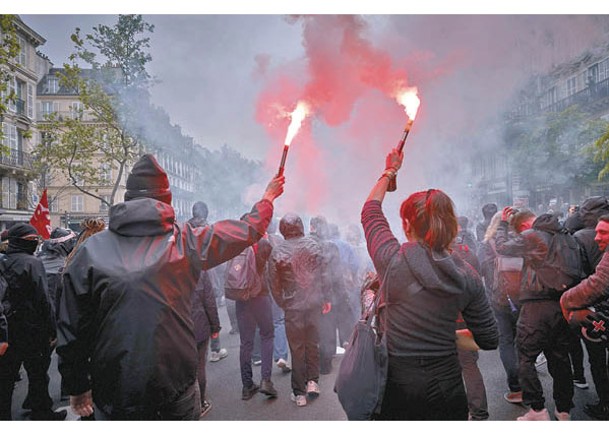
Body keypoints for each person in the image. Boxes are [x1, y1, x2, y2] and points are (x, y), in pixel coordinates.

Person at [56, 154, 284, 420]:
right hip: (175, 383)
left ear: (127, 199)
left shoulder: (90, 251)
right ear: (167, 199)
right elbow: (246, 230)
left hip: (115, 387)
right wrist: (267, 198)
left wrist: (78, 386)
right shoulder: (186, 241)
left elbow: (72, 328)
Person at [361, 148, 498, 420]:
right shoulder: (468, 275)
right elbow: (489, 339)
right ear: (451, 226)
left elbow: (370, 210)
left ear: (407, 225)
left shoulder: (391, 260)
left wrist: (390, 171)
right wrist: (445, 337)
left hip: (397, 387)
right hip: (447, 389)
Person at [495, 207, 575, 421]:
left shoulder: (531, 234)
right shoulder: (566, 236)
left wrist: (502, 224)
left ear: (523, 227)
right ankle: (564, 409)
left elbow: (502, 247)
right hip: (563, 304)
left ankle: (538, 410)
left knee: (525, 356)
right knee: (560, 359)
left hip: (536, 306)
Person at [0, 223, 67, 421]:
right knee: (37, 373)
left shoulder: (2, 261)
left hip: (9, 327)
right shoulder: (32, 263)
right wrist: (52, 329)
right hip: (32, 329)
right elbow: (43, 299)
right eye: (33, 240)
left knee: (6, 378)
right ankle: (41, 412)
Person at [269, 213, 332, 407]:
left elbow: (273, 283)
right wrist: (326, 297)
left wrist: (283, 302)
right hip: (313, 303)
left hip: (293, 306)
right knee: (312, 342)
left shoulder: (278, 251)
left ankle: (299, 393)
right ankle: (313, 382)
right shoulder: (314, 246)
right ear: (301, 226)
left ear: (283, 229)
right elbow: (325, 275)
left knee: (296, 348)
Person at [561, 212, 609, 420]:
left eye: (603, 232)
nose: (597, 237)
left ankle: (605, 405)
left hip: (594, 311)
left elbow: (598, 282)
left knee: (598, 361)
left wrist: (566, 299)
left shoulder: (576, 241)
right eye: (597, 231)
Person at [477, 211, 523, 405]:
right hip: (524, 296)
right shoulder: (521, 240)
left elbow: (480, 270)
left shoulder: (485, 245)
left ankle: (516, 388)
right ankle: (529, 380)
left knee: (506, 341)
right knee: (522, 339)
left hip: (499, 298)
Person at [187, 201, 228, 363]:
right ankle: (215, 350)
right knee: (211, 311)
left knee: (193, 311)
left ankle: (193, 347)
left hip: (189, 275)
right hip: (208, 273)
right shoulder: (209, 229)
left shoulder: (185, 229)